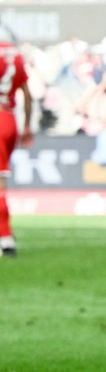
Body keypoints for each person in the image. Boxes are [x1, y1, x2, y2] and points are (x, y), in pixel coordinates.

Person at [0, 37, 31, 259]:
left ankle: (6, 238)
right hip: (10, 119)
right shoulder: (15, 55)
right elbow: (27, 95)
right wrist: (27, 125)